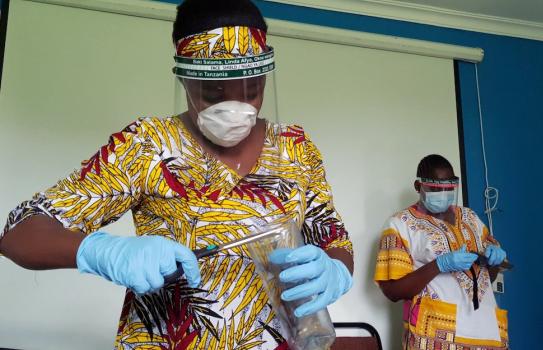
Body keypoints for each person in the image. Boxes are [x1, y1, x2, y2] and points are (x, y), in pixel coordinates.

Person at [0, 1, 353, 349]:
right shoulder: (147, 145)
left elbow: (335, 241)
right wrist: (101, 252)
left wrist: (335, 271)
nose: (235, 107)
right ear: (185, 79)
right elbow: (19, 233)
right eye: (213, 91)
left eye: (252, 89)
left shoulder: (296, 148)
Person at [374, 154, 508, 350]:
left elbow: (487, 276)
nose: (444, 193)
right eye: (436, 188)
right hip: (435, 338)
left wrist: (493, 261)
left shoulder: (470, 218)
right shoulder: (400, 224)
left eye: (449, 187)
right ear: (418, 186)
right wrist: (439, 265)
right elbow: (393, 291)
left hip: (487, 334)